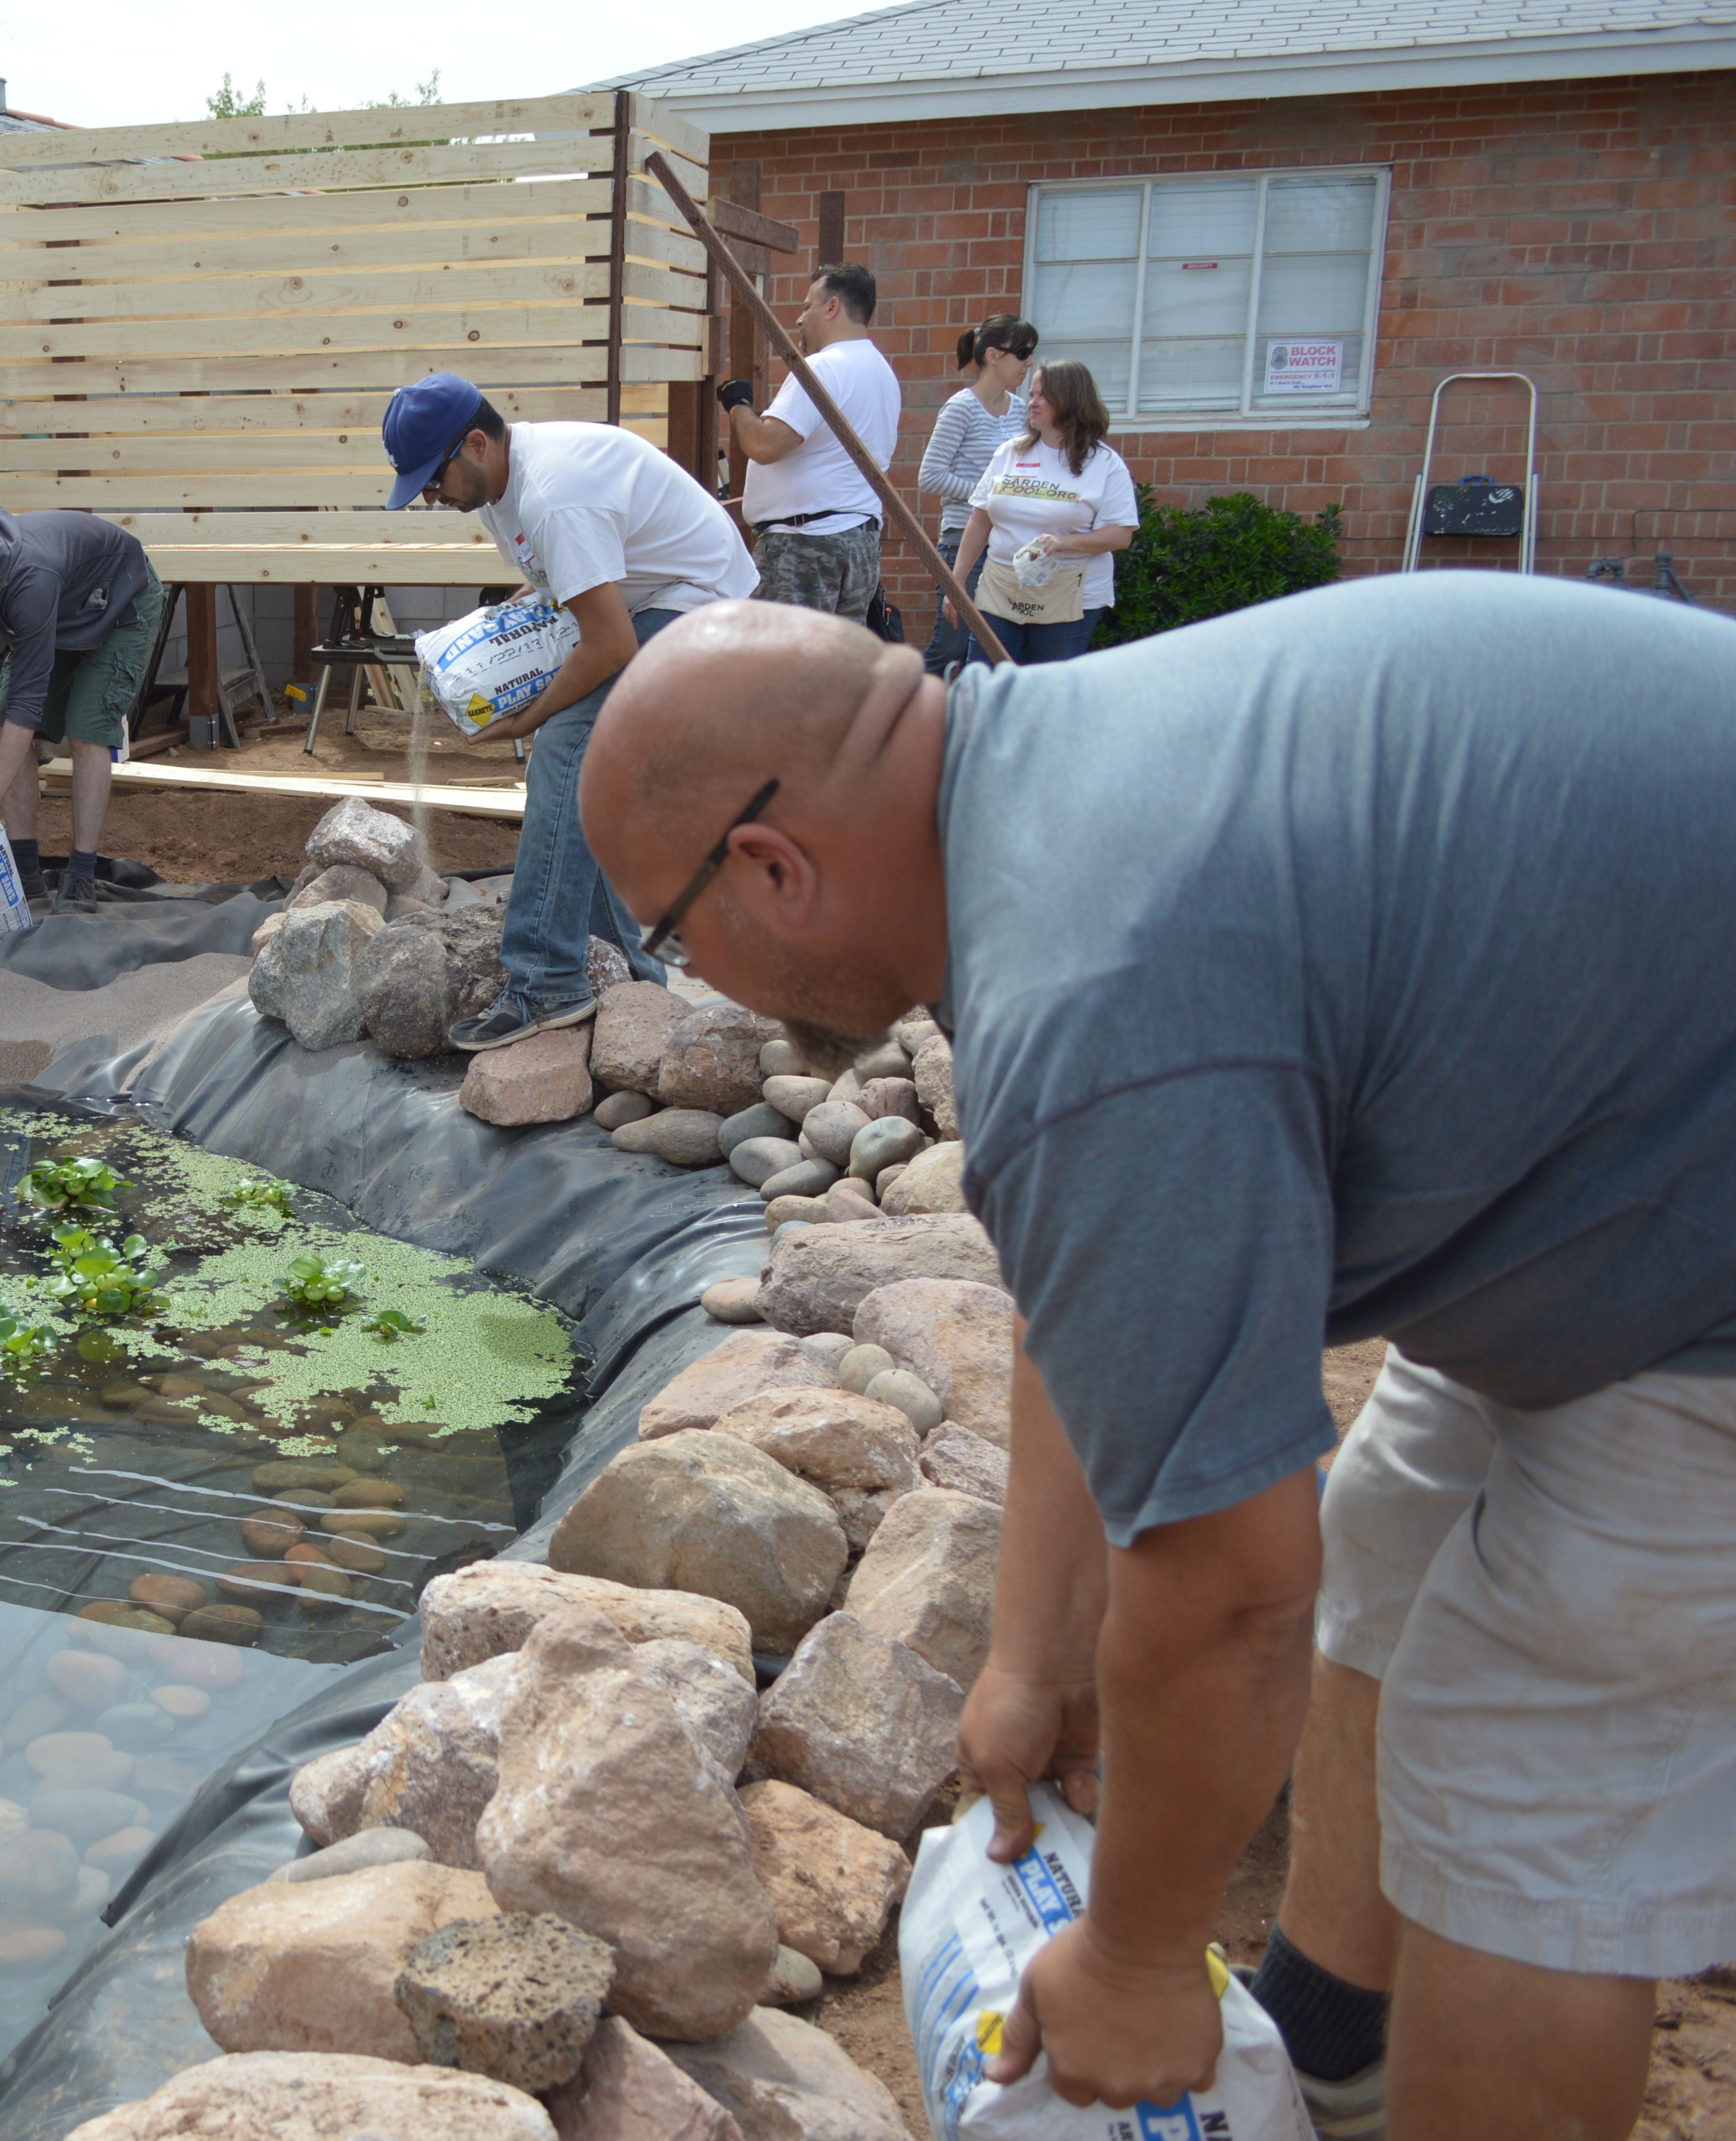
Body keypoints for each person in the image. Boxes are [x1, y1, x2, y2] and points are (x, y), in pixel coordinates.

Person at [573, 574, 1736, 2141]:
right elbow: (1088, 1314)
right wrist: (1030, 1661)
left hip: (1688, 1249)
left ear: (770, 867)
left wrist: (1131, 1955)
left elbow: (1230, 1592)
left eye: (670, 933)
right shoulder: (1048, 793)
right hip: (1619, 1117)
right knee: (1395, 1524)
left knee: (1523, 1774)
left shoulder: (1091, 982)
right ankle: (1332, 2047)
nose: (690, 979)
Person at [376, 370, 755, 1049]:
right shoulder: (501, 491)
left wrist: (529, 717)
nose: (433, 498)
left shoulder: (552, 495)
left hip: (699, 607)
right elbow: (562, 589)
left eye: (434, 480)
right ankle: (631, 985)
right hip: (649, 601)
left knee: (565, 752)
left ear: (476, 444)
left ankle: (547, 981)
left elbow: (609, 642)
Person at [0, 507, 166, 910]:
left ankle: (81, 875)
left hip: (119, 602)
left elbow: (28, 704)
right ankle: (26, 873)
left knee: (87, 732)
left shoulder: (29, 575)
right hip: (59, 617)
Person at [717, 261, 903, 619]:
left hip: (806, 547)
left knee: (786, 665)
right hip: (856, 542)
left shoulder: (824, 367)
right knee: (838, 664)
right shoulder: (882, 371)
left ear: (832, 307)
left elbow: (764, 445)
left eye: (807, 306)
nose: (800, 320)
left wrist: (737, 405)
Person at [956, 359, 1137, 663]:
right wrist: (957, 582)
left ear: (1070, 400)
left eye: (1042, 396)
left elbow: (1121, 535)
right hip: (1001, 589)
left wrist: (1066, 543)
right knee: (984, 681)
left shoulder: (1105, 464)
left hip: (1069, 595)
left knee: (1045, 689)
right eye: (1031, 395)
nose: (1032, 403)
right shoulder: (1010, 452)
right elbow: (980, 519)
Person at [918, 314, 1037, 671]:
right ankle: (907, 709)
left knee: (995, 648)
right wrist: (989, 497)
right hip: (963, 540)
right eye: (1022, 352)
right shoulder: (962, 408)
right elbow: (930, 476)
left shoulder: (1021, 411)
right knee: (953, 643)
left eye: (1031, 352)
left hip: (1010, 544)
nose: (1030, 362)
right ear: (993, 356)